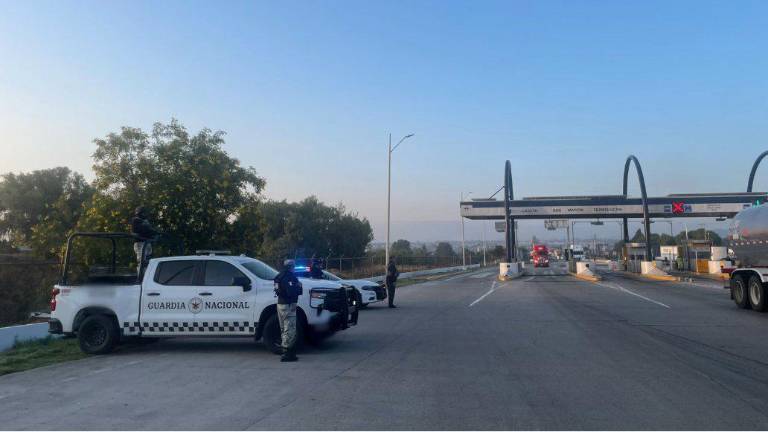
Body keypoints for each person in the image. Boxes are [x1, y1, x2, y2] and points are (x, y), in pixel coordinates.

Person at [273, 259, 303, 362]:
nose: (294, 269)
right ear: (291, 267)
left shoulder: (279, 276)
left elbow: (277, 289)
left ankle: (285, 350)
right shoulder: (289, 276)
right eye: (294, 267)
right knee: (290, 329)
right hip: (288, 305)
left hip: (280, 304)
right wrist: (299, 287)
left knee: (283, 328)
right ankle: (287, 353)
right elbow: (291, 291)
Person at [131, 206, 159, 272]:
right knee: (141, 261)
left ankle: (146, 275)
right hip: (140, 243)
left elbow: (150, 230)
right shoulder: (136, 220)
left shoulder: (145, 221)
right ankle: (141, 278)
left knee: (148, 260)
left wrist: (155, 233)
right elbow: (142, 230)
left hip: (147, 242)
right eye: (143, 213)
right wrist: (152, 232)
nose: (145, 214)